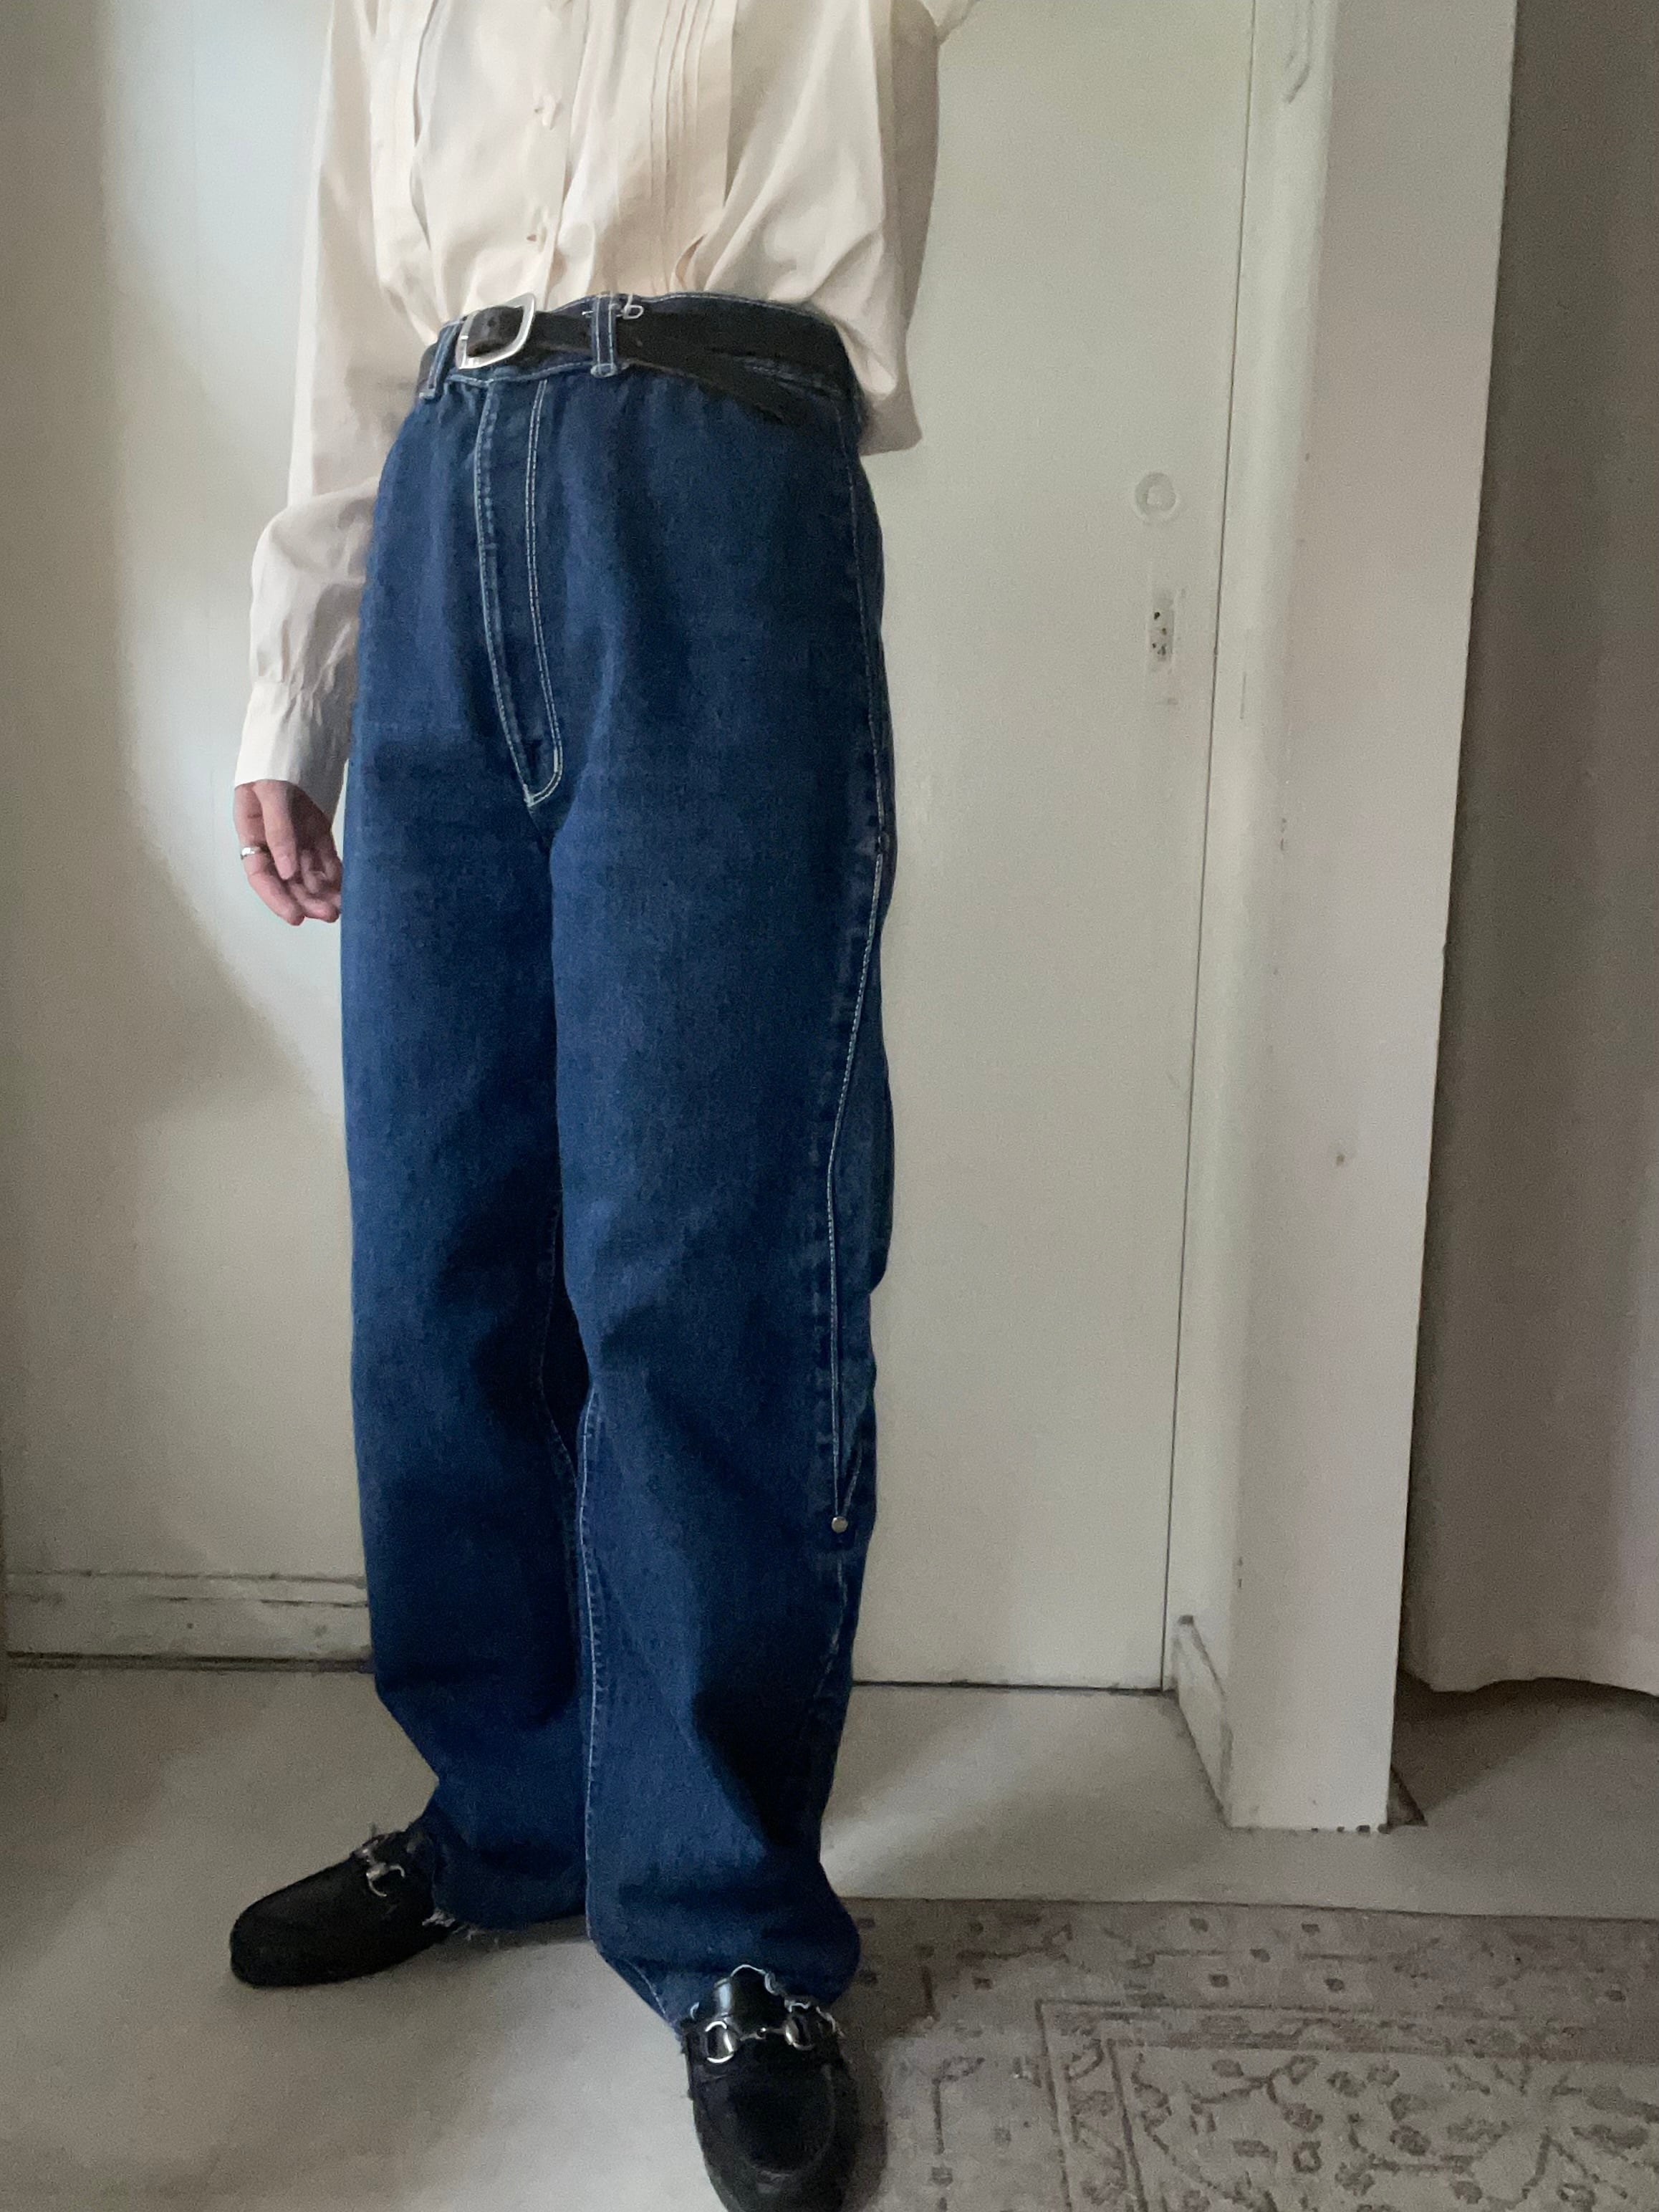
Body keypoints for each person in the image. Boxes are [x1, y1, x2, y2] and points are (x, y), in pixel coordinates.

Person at [229, 3, 978, 2204]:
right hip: (441, 487)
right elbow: (348, 320)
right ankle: (507, 1817)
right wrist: (295, 684)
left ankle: (727, 1918)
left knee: (701, 1257)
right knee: (439, 1253)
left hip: (721, 482)